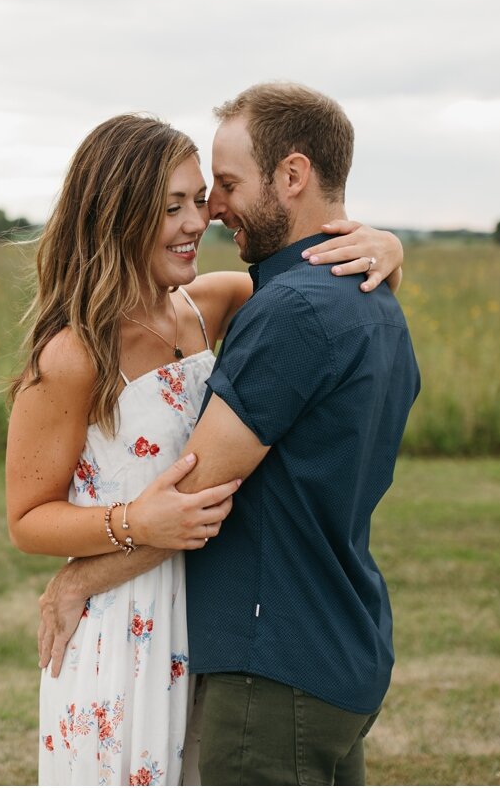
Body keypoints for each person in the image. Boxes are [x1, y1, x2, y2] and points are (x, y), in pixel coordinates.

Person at [34, 82, 421, 786]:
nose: (208, 212)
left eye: (219, 188)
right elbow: (29, 512)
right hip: (168, 632)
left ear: (292, 175)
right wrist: (386, 244)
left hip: (249, 637)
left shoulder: (252, 308)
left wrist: (81, 576)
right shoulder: (312, 300)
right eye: (176, 203)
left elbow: (199, 492)